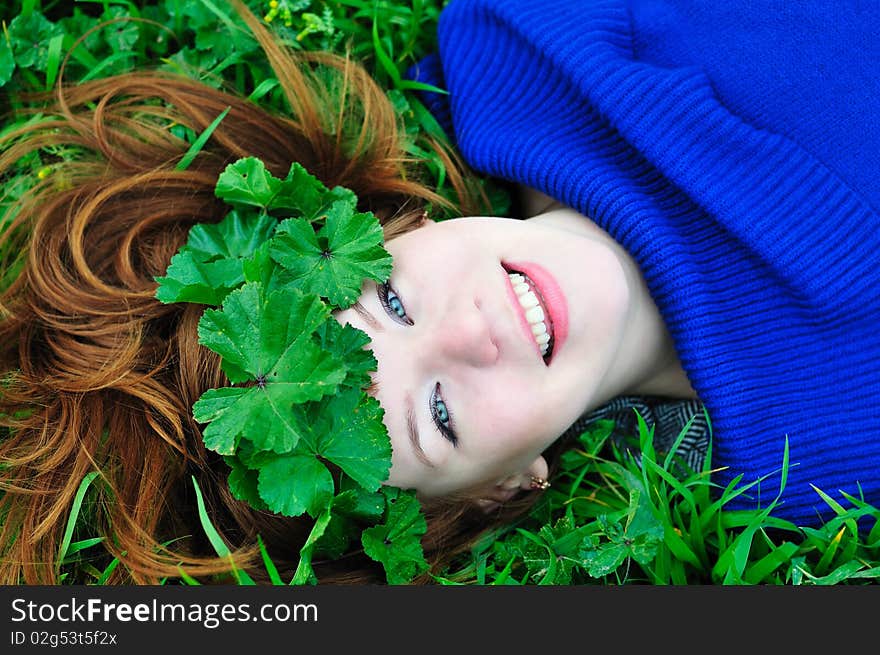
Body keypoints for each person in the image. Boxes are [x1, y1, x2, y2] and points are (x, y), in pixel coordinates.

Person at [1, 0, 877, 585]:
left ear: (383, 229)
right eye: (441, 418)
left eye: (389, 301)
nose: (472, 330)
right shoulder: (826, 461)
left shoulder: (520, 46)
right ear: (503, 489)